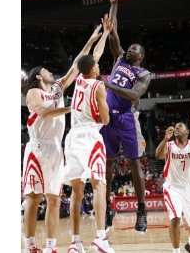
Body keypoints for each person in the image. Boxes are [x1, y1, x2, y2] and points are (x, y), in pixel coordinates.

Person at [21, 24, 103, 253]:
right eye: (46, 70)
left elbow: (75, 68)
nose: (51, 72)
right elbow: (44, 112)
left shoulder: (57, 89)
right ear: (39, 76)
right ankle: (29, 246)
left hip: (55, 149)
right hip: (37, 149)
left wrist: (91, 39)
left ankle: (50, 247)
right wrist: (72, 110)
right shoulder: (33, 92)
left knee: (54, 199)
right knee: (34, 198)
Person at [64, 15, 115, 253]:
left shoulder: (78, 81)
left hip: (72, 137)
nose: (98, 65)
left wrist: (102, 35)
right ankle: (100, 238)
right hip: (89, 137)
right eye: (96, 65)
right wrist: (105, 110)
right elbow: (105, 119)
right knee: (99, 186)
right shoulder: (98, 85)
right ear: (92, 69)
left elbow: (88, 58)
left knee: (76, 190)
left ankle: (75, 243)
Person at [101, 0, 151, 232]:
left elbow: (134, 96)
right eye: (129, 46)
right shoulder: (119, 58)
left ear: (140, 56)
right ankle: (108, 208)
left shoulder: (143, 74)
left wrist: (109, 83)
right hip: (106, 117)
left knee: (134, 163)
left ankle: (142, 211)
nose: (130, 48)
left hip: (125, 117)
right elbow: (113, 32)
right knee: (108, 164)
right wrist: (114, 3)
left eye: (134, 48)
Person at [155, 115, 190, 253]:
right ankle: (176, 251)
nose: (177, 128)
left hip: (189, 188)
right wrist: (164, 139)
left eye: (180, 127)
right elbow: (157, 155)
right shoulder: (169, 146)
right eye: (175, 127)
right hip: (172, 187)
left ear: (187, 132)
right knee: (175, 218)